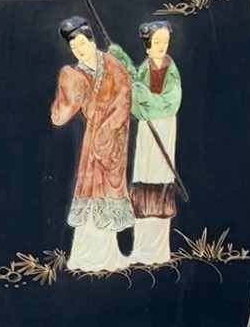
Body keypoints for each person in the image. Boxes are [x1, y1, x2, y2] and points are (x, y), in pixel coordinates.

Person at [51, 16, 133, 273]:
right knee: (90, 188)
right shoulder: (76, 73)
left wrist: (108, 131)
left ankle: (109, 256)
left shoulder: (112, 65)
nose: (79, 50)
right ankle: (86, 256)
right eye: (74, 47)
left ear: (91, 41)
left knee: (108, 189)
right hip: (92, 136)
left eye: (82, 44)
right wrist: (69, 84)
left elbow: (125, 98)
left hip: (113, 136)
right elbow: (61, 115)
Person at [128, 20, 182, 265]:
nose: (162, 46)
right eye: (157, 42)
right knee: (144, 179)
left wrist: (147, 99)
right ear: (148, 45)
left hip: (165, 126)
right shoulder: (144, 69)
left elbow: (172, 101)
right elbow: (135, 103)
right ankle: (141, 247)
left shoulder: (171, 70)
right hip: (146, 130)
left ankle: (159, 250)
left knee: (160, 180)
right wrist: (140, 97)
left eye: (165, 41)